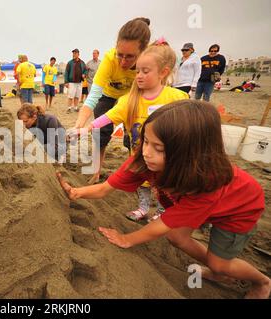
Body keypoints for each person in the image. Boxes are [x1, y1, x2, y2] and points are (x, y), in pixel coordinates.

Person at [57, 100, 271, 299]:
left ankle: (261, 281)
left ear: (191, 155)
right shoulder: (144, 159)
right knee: (177, 238)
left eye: (158, 148)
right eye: (146, 141)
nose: (147, 152)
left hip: (238, 208)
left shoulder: (206, 183)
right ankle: (218, 271)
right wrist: (76, 192)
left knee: (219, 263)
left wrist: (127, 239)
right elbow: (106, 188)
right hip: (195, 203)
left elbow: (163, 223)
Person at [85, 39, 188, 222]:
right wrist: (89, 126)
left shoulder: (177, 97)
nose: (139, 76)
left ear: (163, 72)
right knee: (143, 183)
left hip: (167, 157)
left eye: (145, 71)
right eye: (137, 71)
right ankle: (142, 208)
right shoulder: (129, 99)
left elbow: (190, 124)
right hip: (140, 153)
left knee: (166, 185)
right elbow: (110, 115)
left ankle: (163, 211)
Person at [72, 17, 151, 185]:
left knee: (135, 135)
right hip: (108, 94)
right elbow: (93, 97)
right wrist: (79, 124)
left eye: (130, 57)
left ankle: (137, 173)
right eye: (120, 55)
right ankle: (96, 171)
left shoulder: (151, 60)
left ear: (143, 52)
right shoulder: (109, 59)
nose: (123, 62)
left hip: (133, 96)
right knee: (100, 133)